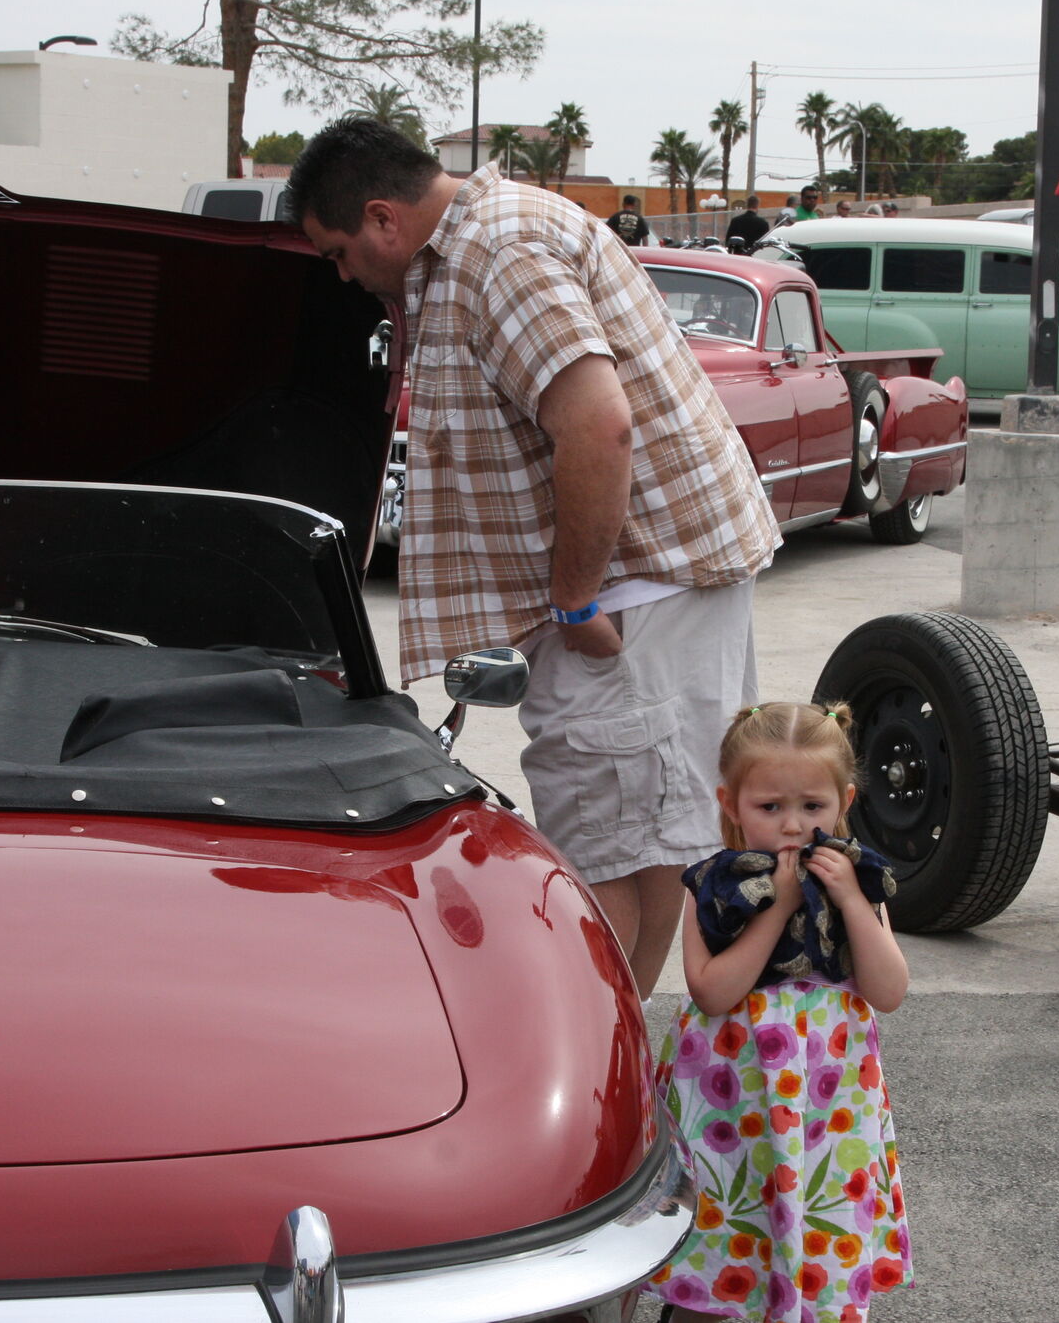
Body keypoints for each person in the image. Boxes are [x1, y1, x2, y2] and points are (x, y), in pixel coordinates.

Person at [285, 118, 779, 999]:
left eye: (337, 253)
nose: (345, 276)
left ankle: (593, 1091)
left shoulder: (494, 253)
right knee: (652, 845)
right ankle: (627, 1066)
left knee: (599, 863)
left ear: (382, 218)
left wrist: (576, 601)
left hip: (631, 599)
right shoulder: (492, 232)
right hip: (660, 587)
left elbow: (598, 424)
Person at [645, 701, 914, 1323]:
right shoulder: (712, 885)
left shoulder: (859, 881)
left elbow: (889, 990)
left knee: (819, 1221)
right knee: (723, 1217)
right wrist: (775, 907)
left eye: (812, 807)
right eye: (769, 808)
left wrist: (849, 900)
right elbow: (713, 991)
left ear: (844, 800)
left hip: (827, 1106)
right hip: (730, 1101)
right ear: (730, 803)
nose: (792, 826)